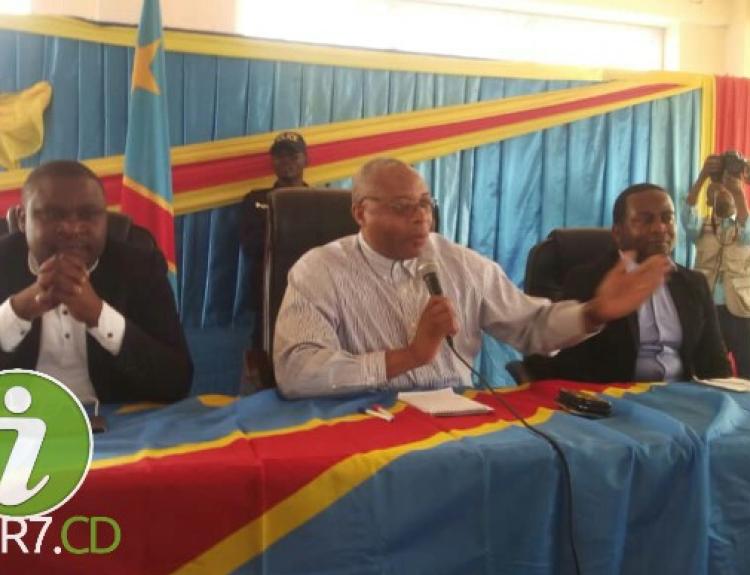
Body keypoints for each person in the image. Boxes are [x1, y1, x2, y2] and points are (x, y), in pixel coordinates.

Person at [273, 158, 673, 398]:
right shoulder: (319, 269)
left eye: (425, 204)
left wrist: (594, 312)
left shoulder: (461, 264)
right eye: (402, 207)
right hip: (361, 424)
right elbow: (297, 371)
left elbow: (531, 325)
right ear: (361, 213)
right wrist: (410, 357)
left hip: (455, 424)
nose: (421, 218)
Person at [0, 160, 193, 404]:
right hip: (16, 418)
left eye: (88, 215)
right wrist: (18, 311)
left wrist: (99, 316)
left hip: (113, 418)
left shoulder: (141, 268)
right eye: (52, 214)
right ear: (21, 219)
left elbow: (177, 382)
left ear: (105, 219)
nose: (71, 228)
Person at [538, 183, 731, 383]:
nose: (660, 228)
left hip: (681, 395)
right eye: (645, 220)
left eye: (667, 218)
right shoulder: (586, 280)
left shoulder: (695, 284)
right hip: (615, 397)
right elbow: (567, 367)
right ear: (617, 233)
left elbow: (715, 364)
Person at [682, 154, 750, 377]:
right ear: (709, 201)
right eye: (716, 189)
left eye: (727, 189)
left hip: (745, 312)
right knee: (710, 374)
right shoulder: (701, 226)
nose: (722, 191)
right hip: (710, 312)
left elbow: (749, 234)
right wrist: (703, 177)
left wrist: (738, 193)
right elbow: (686, 215)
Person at [240, 131, 309, 348]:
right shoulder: (255, 200)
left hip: (309, 292)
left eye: (293, 155)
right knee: (264, 350)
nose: (286, 161)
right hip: (267, 293)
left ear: (306, 159)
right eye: (280, 156)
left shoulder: (319, 200)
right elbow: (250, 246)